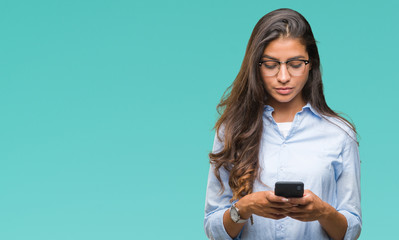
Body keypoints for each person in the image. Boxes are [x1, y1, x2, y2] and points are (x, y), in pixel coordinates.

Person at [204, 8, 361, 240]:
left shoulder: (340, 134)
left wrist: (322, 211)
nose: (284, 76)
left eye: (295, 64)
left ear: (311, 64)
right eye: (271, 64)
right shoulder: (231, 131)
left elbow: (351, 229)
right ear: (256, 66)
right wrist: (245, 207)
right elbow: (213, 228)